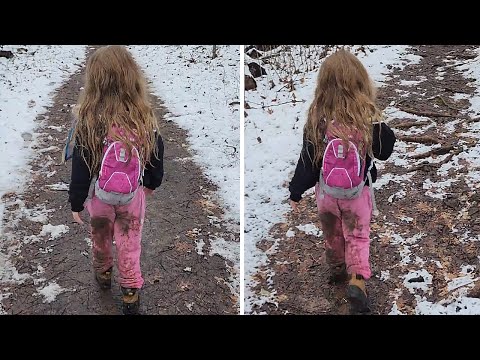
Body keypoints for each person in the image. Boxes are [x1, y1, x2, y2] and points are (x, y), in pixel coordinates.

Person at [288, 49, 396, 314]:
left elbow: (308, 160)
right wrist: (377, 124)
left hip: (326, 194)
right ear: (360, 81)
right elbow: (385, 150)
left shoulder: (318, 119)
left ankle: (337, 269)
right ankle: (357, 281)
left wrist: (296, 190)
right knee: (358, 235)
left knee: (332, 232)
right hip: (357, 194)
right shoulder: (366, 117)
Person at [68, 46, 164, 315]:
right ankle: (131, 290)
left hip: (100, 197)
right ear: (131, 77)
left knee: (100, 236)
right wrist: (151, 184)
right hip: (133, 197)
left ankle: (103, 274)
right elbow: (157, 155)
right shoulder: (143, 116)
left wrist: (76, 202)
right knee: (130, 240)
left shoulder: (90, 119)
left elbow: (81, 166)